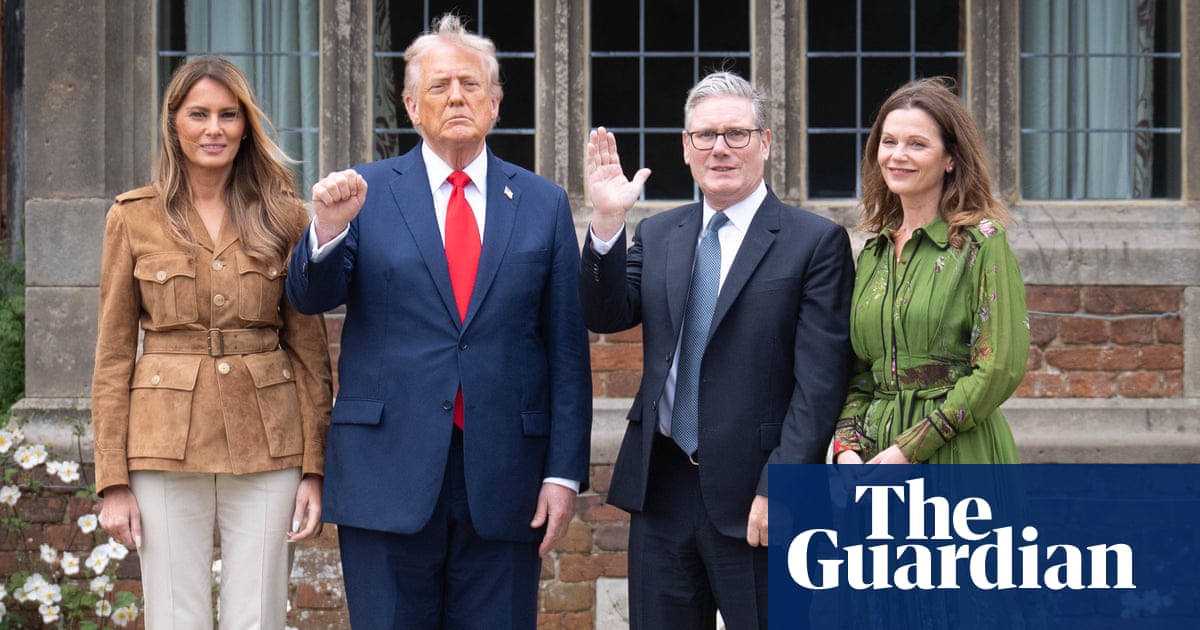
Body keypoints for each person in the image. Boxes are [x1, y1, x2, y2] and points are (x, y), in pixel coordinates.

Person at [284, 14, 592, 629]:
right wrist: (327, 229)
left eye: (471, 85)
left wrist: (563, 472)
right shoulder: (363, 192)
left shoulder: (541, 202)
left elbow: (565, 349)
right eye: (439, 85)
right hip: (386, 470)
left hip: (507, 475)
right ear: (410, 105)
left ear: (496, 102)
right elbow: (310, 296)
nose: (457, 96)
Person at [580, 71, 855, 629]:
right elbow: (604, 314)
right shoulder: (659, 235)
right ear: (686, 147)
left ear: (766, 142)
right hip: (663, 490)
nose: (720, 149)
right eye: (705, 136)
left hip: (757, 497)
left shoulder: (814, 242)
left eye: (737, 134)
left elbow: (821, 384)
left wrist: (783, 487)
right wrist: (609, 220)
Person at [93, 56, 333, 628]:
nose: (214, 128)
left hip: (270, 442)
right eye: (198, 114)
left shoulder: (286, 217)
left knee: (259, 616)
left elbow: (309, 352)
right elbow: (110, 356)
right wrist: (112, 481)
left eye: (229, 115)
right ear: (173, 122)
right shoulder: (133, 218)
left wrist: (314, 468)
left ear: (246, 125)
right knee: (176, 617)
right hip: (161, 445)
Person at [833, 76, 1030, 467]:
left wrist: (910, 449)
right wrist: (847, 444)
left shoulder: (981, 244)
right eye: (888, 142)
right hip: (874, 462)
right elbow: (861, 372)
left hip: (957, 455)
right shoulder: (874, 254)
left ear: (950, 158)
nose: (897, 155)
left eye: (917, 144)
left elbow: (999, 368)